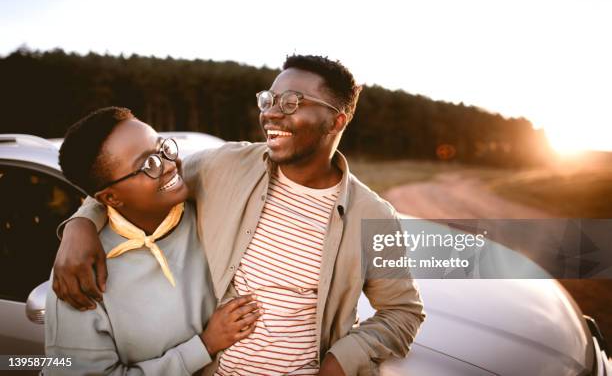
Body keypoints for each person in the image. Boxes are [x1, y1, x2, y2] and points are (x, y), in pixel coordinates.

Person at [53, 55, 426, 376]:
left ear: (337, 120)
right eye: (269, 99)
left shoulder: (373, 216)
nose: (271, 112)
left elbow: (402, 311)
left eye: (292, 102)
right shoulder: (224, 167)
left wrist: (339, 363)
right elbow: (133, 185)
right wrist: (81, 223)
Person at [45, 107, 261, 375]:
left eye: (164, 148)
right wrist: (203, 346)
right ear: (110, 199)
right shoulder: (80, 274)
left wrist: (80, 221)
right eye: (148, 165)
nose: (170, 164)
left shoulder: (209, 209)